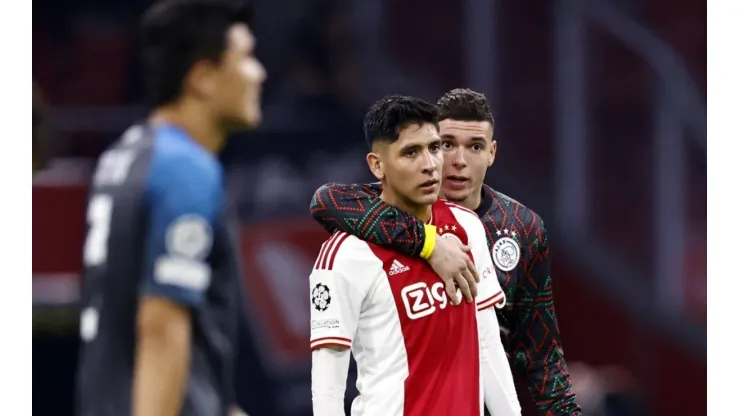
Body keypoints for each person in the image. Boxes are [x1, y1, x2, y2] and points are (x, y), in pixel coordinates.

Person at [310, 88, 581, 415]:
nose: (439, 163)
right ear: (377, 165)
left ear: (492, 152)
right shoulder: (350, 248)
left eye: (434, 148)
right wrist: (429, 242)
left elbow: (502, 347)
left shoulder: (490, 228)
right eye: (414, 152)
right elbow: (328, 382)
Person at [75, 1, 266, 415]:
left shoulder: (123, 155)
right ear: (202, 78)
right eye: (247, 58)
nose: (259, 73)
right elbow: (162, 326)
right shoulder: (185, 170)